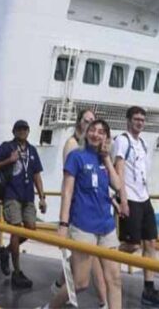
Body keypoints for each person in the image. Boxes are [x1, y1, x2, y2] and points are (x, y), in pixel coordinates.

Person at [45, 119, 123, 309]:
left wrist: (106, 158)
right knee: (80, 283)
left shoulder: (104, 160)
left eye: (101, 132)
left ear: (106, 137)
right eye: (93, 130)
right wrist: (63, 225)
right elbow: (67, 192)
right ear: (86, 133)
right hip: (83, 226)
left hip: (106, 227)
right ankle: (49, 307)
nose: (96, 134)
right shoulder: (76, 157)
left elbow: (118, 185)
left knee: (115, 280)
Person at [113, 107, 159, 307]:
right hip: (130, 199)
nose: (140, 123)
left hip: (144, 199)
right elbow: (118, 169)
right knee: (132, 245)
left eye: (142, 120)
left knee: (151, 243)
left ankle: (149, 288)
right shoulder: (122, 141)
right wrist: (122, 200)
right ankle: (105, 256)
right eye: (136, 119)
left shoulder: (143, 143)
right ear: (128, 120)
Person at [53, 109, 109, 304]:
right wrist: (64, 222)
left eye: (94, 122)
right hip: (80, 213)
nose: (91, 125)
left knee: (90, 262)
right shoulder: (73, 146)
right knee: (88, 267)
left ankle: (101, 300)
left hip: (94, 213)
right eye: (88, 121)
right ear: (79, 122)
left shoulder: (95, 152)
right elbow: (69, 182)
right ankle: (102, 301)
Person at [0, 119, 46, 289]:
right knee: (16, 230)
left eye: (25, 129)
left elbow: (36, 174)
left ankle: (5, 251)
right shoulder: (7, 147)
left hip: (28, 196)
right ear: (14, 131)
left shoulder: (32, 150)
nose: (22, 131)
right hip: (11, 194)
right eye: (19, 129)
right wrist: (9, 160)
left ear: (28, 131)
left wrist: (42, 197)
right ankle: (17, 272)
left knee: (30, 229)